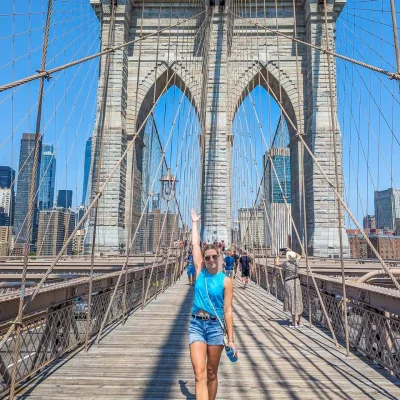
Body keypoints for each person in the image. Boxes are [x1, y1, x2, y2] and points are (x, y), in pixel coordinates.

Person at [189, 209, 237, 400]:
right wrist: (194, 223)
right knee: (199, 373)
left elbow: (228, 310)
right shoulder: (200, 271)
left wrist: (231, 339)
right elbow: (194, 244)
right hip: (196, 325)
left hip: (215, 327)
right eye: (207, 257)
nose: (210, 260)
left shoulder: (226, 281)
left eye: (213, 256)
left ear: (219, 257)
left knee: (211, 373)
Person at [274, 248, 303, 328]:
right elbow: (299, 255)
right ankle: (300, 321)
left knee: (291, 301)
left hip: (289, 283)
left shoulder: (286, 264)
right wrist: (291, 250)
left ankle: (294, 322)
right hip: (296, 282)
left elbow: (276, 263)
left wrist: (279, 255)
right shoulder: (296, 262)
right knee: (298, 300)